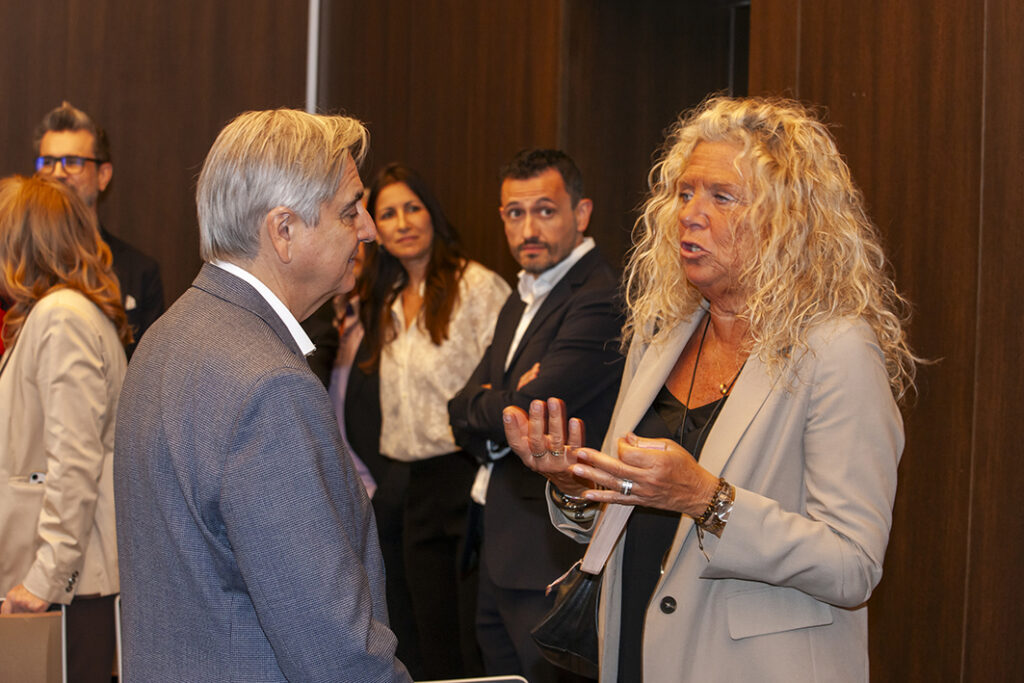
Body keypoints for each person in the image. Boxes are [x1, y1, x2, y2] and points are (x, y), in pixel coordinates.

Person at [503, 96, 919, 682]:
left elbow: (852, 565)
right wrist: (575, 487)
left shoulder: (837, 349)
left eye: (721, 197)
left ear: (787, 218)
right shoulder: (662, 334)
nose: (690, 215)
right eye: (684, 193)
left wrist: (708, 499)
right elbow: (633, 515)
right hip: (636, 652)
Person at [114, 109, 410, 682]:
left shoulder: (169, 334)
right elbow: (334, 653)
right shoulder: (271, 387)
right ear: (284, 231)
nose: (370, 229)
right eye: (350, 210)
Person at [448, 149, 624, 683]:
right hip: (497, 539)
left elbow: (532, 405)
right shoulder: (522, 293)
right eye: (515, 213)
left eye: (545, 211)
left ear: (582, 213)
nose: (528, 229)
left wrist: (495, 401)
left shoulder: (600, 297)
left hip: (548, 548)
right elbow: (459, 406)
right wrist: (496, 401)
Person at [353, 162, 510, 679]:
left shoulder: (477, 286)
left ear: (432, 214)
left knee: (469, 639)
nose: (402, 223)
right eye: (388, 214)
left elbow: (506, 384)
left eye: (412, 208)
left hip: (465, 476)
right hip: (407, 484)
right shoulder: (386, 298)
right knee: (421, 634)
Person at [0, 175, 131, 682]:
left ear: (22, 244)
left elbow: (74, 463)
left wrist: (45, 579)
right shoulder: (55, 312)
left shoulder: (61, 317)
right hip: (66, 584)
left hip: (70, 588)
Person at [33, 102, 164, 357]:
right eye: (47, 162)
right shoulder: (17, 267)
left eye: (72, 162)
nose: (57, 173)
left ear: (103, 175)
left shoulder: (139, 272)